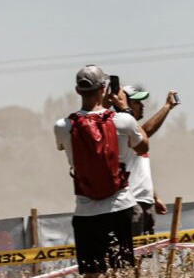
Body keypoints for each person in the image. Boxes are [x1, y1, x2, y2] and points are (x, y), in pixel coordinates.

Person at [53, 66, 148, 277]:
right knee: (122, 272)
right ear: (104, 88)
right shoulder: (123, 121)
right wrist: (125, 110)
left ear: (77, 90)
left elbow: (61, 147)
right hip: (120, 206)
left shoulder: (63, 126)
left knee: (91, 274)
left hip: (86, 212)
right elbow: (143, 147)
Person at [120, 85, 179, 236]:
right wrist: (167, 107)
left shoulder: (135, 130)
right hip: (131, 202)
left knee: (144, 255)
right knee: (133, 255)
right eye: (137, 102)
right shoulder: (121, 127)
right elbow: (148, 131)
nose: (142, 106)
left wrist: (155, 197)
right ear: (125, 103)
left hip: (145, 201)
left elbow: (140, 171)